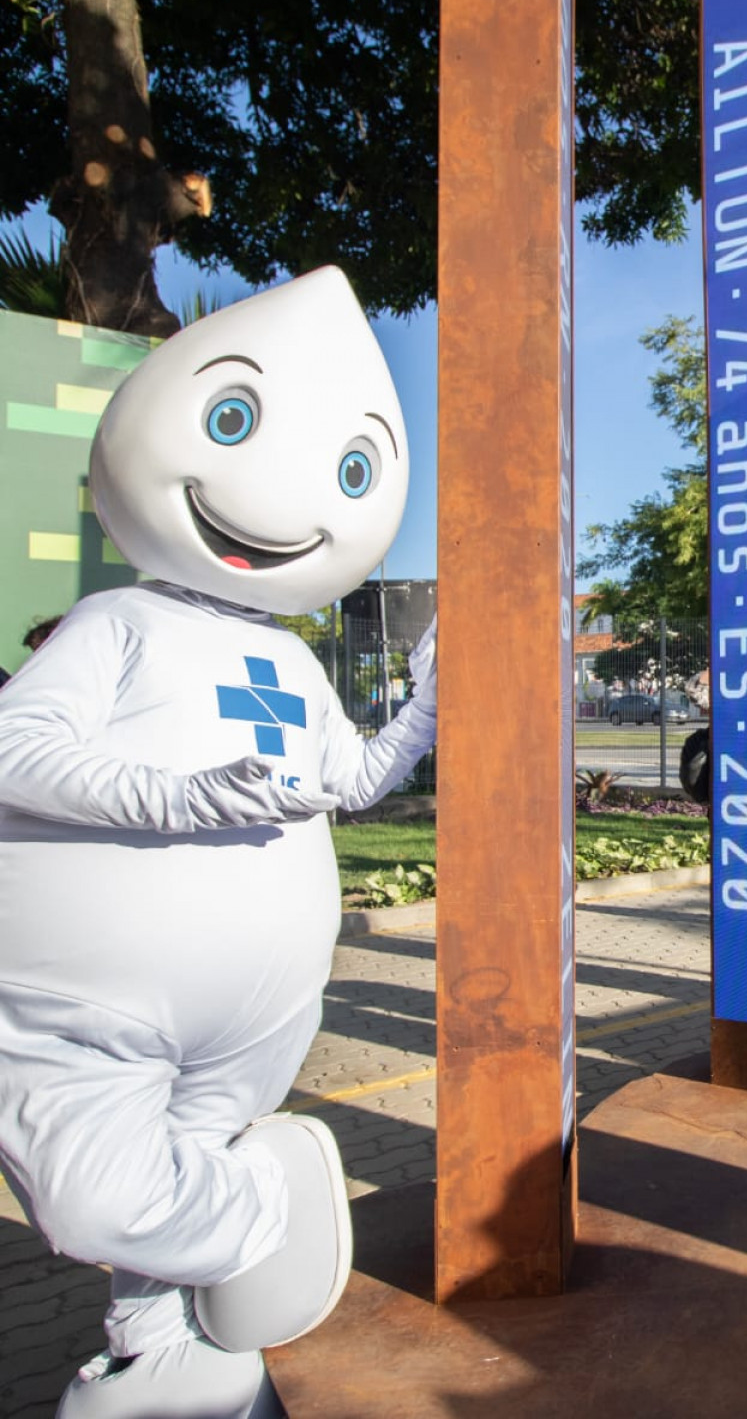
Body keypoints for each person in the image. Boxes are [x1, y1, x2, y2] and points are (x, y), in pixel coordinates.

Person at [0, 268, 436, 1418]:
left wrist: (427, 707)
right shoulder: (114, 624)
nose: (283, 495)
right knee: (91, 1198)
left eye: (350, 472)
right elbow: (14, 753)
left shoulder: (292, 658)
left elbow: (348, 778)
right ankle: (260, 1213)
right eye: (230, 422)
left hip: (256, 1015)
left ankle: (169, 1359)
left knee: (142, 1243)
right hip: (94, 1012)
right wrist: (178, 796)